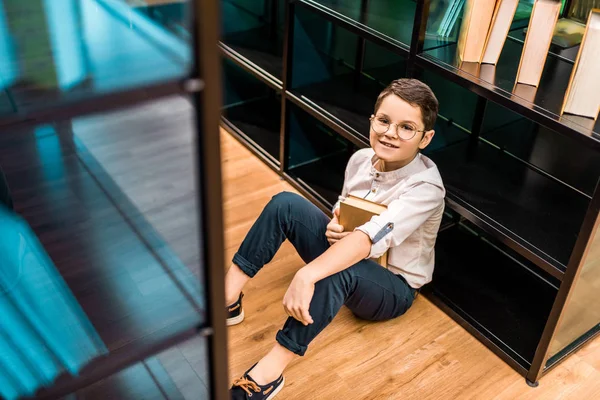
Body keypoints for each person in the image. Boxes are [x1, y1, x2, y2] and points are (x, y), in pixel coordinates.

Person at [226, 79, 446, 400]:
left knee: (336, 268)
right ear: (372, 120)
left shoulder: (426, 188)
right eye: (383, 121)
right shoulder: (360, 159)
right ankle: (228, 299)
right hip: (356, 254)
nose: (389, 133)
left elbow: (369, 239)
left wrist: (307, 273)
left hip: (394, 286)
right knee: (285, 203)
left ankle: (269, 373)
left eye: (406, 128)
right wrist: (333, 224)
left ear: (425, 138)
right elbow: (343, 207)